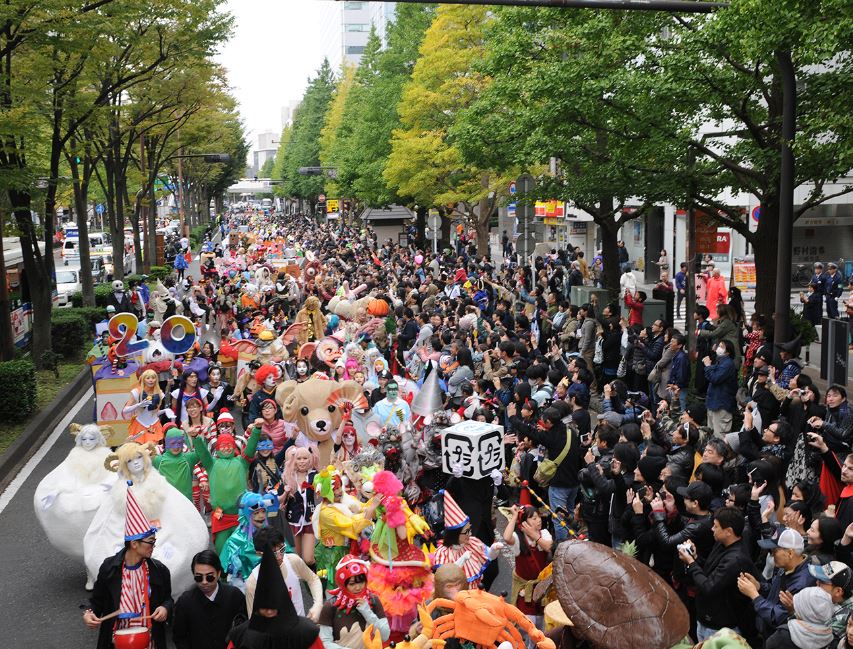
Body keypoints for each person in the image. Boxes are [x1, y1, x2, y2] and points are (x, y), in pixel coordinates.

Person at [83, 484, 173, 649]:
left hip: (149, 640)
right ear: (134, 544)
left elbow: (168, 599)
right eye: (151, 542)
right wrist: (90, 614)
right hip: (117, 641)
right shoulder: (109, 568)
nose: (154, 545)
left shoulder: (159, 570)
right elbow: (97, 601)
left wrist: (165, 608)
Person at [679, 506, 759, 643]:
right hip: (705, 619)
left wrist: (691, 563)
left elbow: (709, 586)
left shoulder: (736, 559)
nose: (712, 529)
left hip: (720, 629)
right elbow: (709, 570)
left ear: (729, 531)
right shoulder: (721, 544)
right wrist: (695, 556)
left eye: (716, 527)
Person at [227, 543, 322, 649]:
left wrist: (318, 604)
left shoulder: (307, 633)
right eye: (265, 606)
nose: (269, 611)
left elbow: (313, 579)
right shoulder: (242, 637)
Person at [172, 550, 247, 649]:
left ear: (219, 573)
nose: (204, 582)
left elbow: (244, 630)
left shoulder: (234, 596)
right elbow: (179, 637)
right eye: (198, 577)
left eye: (209, 577)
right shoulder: (185, 602)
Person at [245, 528, 322, 622]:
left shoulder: (293, 561)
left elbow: (313, 579)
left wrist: (318, 605)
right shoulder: (253, 581)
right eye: (273, 553)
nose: (279, 556)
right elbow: (253, 621)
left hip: (300, 631)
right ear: (259, 554)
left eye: (282, 549)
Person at [318, 555, 390, 649]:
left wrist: (367, 611)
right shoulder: (331, 606)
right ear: (343, 584)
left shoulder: (373, 600)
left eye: (361, 581)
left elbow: (385, 636)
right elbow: (324, 642)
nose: (358, 587)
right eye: (352, 584)